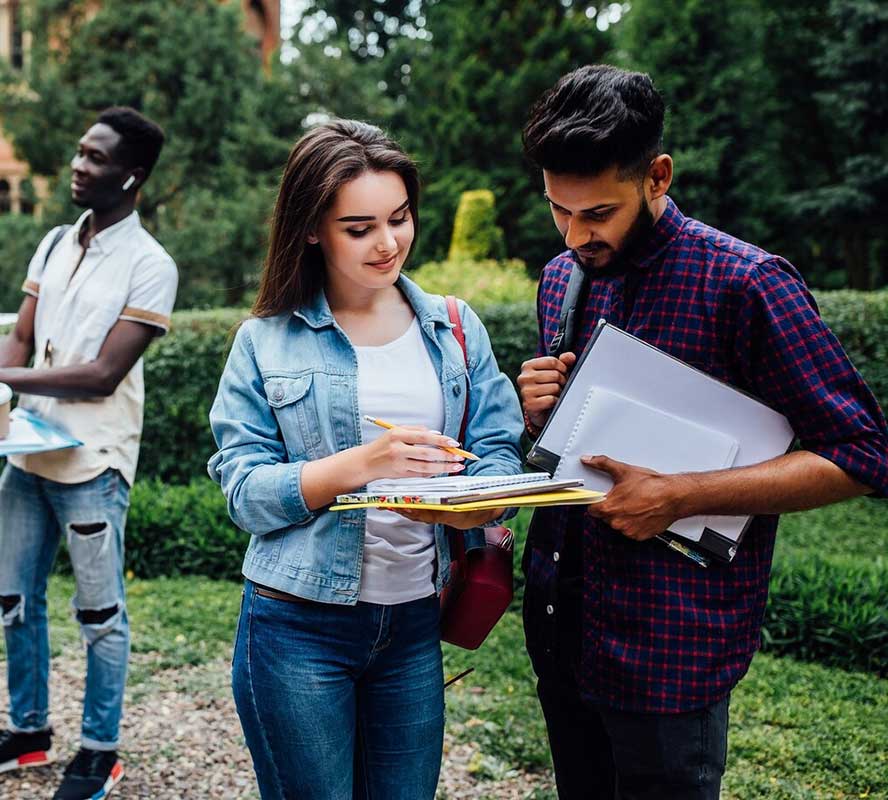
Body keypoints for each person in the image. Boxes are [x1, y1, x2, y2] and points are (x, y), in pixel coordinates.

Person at [516, 65, 888, 800]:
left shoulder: (748, 284)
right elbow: (577, 444)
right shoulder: (560, 277)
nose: (576, 234)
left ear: (657, 176)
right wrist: (541, 413)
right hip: (562, 628)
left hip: (671, 649)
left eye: (598, 213)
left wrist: (681, 495)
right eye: (559, 209)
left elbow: (864, 454)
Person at [208, 119, 523, 800]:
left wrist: (479, 502)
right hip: (296, 625)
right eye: (359, 228)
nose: (388, 244)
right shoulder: (265, 341)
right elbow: (244, 493)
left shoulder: (454, 327)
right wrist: (365, 463)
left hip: (413, 622)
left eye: (399, 218)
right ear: (312, 229)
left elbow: (497, 448)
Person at [0, 107, 177, 800]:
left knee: (100, 615)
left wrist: (8, 379)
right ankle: (29, 732)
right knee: (13, 599)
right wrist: (7, 389)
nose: (78, 164)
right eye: (79, 151)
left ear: (132, 176)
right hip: (27, 452)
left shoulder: (151, 265)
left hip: (93, 463)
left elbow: (103, 374)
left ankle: (100, 751)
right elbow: (22, 335)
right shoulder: (53, 242)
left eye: (95, 157)